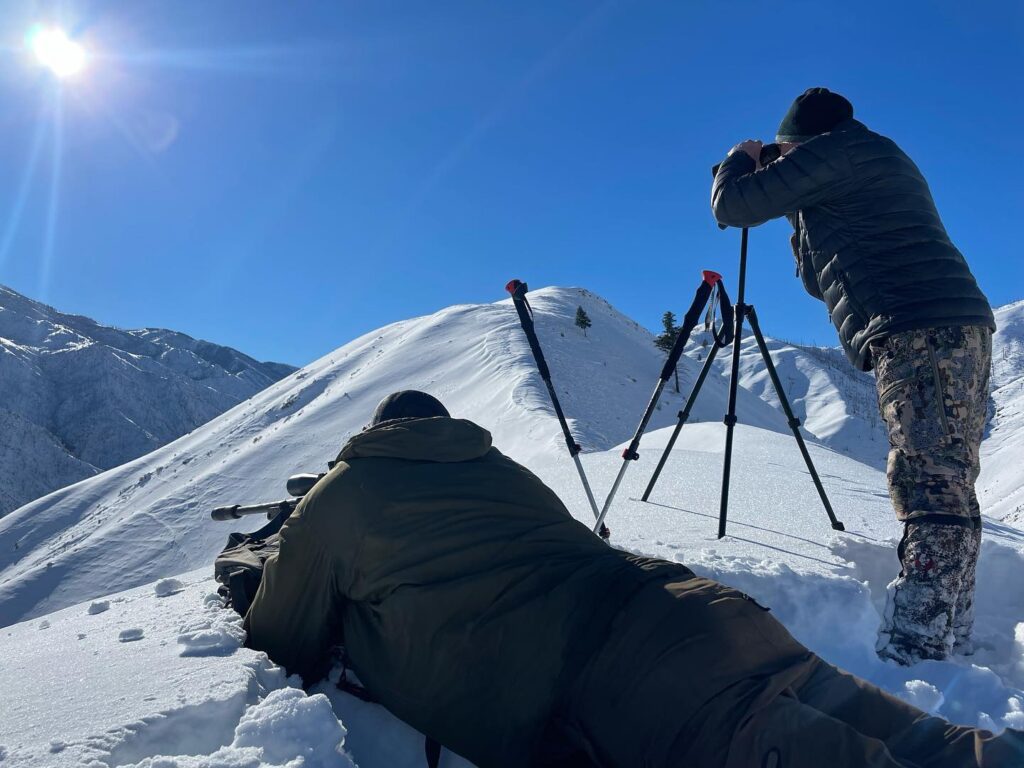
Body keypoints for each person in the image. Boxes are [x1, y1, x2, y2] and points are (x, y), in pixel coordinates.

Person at [245, 391, 1020, 767]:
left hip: (631, 677)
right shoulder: (504, 470)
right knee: (942, 746)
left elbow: (280, 628)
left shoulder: (344, 493)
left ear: (374, 434)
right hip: (701, 613)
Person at [710, 88, 996, 666]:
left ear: (800, 142)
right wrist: (797, 203)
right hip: (947, 325)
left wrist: (739, 161)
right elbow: (818, 281)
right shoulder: (860, 157)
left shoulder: (838, 153)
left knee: (928, 482)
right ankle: (948, 636)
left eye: (784, 153)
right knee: (949, 481)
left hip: (918, 328)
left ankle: (916, 650)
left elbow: (733, 208)